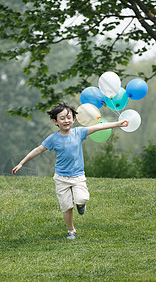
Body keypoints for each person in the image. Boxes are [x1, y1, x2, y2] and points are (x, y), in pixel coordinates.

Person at [12, 102, 129, 239]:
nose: (66, 120)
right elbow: (38, 150)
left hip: (78, 176)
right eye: (62, 118)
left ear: (74, 119)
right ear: (55, 122)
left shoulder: (79, 133)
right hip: (61, 178)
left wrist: (117, 124)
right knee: (66, 207)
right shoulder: (53, 139)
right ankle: (71, 230)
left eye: (69, 117)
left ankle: (80, 205)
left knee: (83, 198)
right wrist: (21, 163)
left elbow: (99, 126)